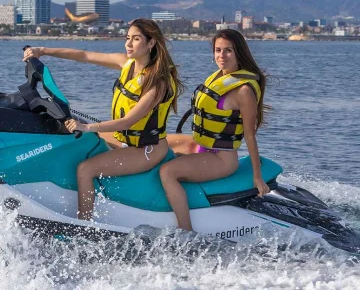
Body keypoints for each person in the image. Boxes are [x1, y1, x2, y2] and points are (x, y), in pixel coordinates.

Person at [23, 19, 182, 221]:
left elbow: (128, 122)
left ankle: (83, 226)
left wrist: (86, 126)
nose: (129, 44)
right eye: (127, 38)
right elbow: (84, 55)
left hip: (147, 149)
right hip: (126, 140)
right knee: (76, 142)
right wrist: (43, 50)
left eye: (136, 39)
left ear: (151, 43)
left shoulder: (157, 82)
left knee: (86, 169)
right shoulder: (126, 64)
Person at [159, 29, 271, 231]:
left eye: (228, 50)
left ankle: (185, 231)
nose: (222, 55)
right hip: (201, 146)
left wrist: (257, 177)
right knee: (156, 144)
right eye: (218, 50)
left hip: (222, 159)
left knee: (168, 171)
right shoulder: (219, 78)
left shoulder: (244, 90)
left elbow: (250, 136)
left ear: (239, 53)